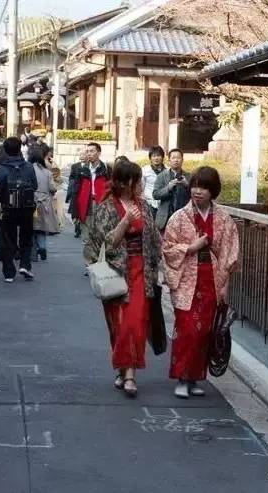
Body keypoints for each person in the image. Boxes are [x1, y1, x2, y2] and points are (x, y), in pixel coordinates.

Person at [85, 157, 160, 397]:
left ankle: (130, 375)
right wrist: (125, 221)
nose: (140, 185)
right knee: (117, 325)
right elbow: (105, 242)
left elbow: (155, 239)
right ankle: (121, 369)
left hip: (142, 271)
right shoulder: (106, 207)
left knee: (135, 323)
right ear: (126, 183)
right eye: (137, 181)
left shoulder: (145, 206)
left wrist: (167, 263)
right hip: (117, 271)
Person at [163, 166, 239, 399]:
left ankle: (195, 377)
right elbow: (167, 248)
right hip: (186, 277)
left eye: (204, 187)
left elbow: (229, 252)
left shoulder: (224, 219)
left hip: (211, 278)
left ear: (212, 191)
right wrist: (190, 247)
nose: (198, 191)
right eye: (195, 186)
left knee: (204, 331)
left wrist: (225, 283)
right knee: (186, 329)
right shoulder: (179, 217)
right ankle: (182, 377)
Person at [0, 136, 38, 282]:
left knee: (8, 238)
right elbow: (35, 185)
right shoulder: (28, 167)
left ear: (6, 151)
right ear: (20, 149)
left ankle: (9, 272)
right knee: (26, 237)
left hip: (9, 207)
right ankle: (25, 264)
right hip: (27, 207)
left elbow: (0, 190)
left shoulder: (2, 169)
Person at [72, 142, 112, 271]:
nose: (89, 154)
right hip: (86, 205)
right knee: (87, 236)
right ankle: (89, 264)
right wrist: (75, 212)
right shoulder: (82, 170)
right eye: (88, 151)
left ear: (99, 153)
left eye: (92, 151)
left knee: (102, 235)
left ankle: (101, 263)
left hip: (102, 205)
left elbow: (111, 188)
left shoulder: (106, 169)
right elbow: (75, 191)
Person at [29, 147, 59, 261]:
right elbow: (52, 188)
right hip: (44, 203)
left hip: (31, 201)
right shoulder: (47, 172)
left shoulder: (29, 169)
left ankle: (34, 252)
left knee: (31, 228)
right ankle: (42, 246)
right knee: (42, 227)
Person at [152, 148, 190, 231]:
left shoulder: (188, 176)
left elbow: (195, 195)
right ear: (169, 160)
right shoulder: (162, 175)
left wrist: (187, 185)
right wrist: (168, 188)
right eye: (173, 158)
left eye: (178, 158)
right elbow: (155, 194)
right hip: (165, 217)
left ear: (182, 160)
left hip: (183, 216)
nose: (176, 160)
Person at [66, 149, 88, 238]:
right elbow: (71, 178)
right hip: (75, 191)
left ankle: (80, 227)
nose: (81, 156)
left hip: (84, 191)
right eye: (80, 155)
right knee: (74, 212)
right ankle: (77, 226)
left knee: (83, 211)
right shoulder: (75, 166)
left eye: (83, 154)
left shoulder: (89, 166)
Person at [142, 146, 165, 219]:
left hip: (163, 204)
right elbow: (141, 187)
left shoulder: (167, 170)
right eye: (154, 156)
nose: (156, 158)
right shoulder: (145, 170)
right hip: (149, 203)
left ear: (162, 157)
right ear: (150, 158)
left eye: (158, 155)